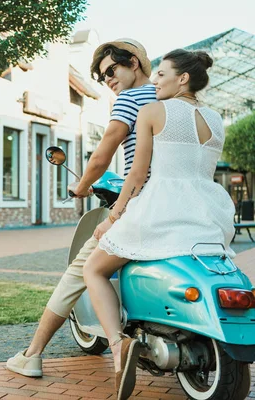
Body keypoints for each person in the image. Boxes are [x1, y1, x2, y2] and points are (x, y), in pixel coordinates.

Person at [84, 49, 235, 400]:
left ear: (182, 78)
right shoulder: (215, 118)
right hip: (208, 211)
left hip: (161, 207)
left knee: (94, 269)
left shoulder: (151, 111)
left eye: (161, 75)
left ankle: (119, 344)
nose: (154, 81)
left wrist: (113, 217)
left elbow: (137, 176)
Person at [6, 38, 157, 377]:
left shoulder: (130, 100)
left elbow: (104, 152)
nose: (108, 81)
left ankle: (32, 354)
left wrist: (82, 184)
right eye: (103, 77)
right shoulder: (170, 99)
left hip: (139, 204)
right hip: (178, 203)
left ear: (134, 62)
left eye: (111, 70)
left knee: (78, 272)